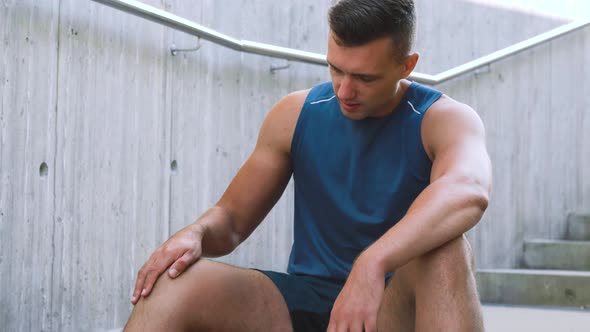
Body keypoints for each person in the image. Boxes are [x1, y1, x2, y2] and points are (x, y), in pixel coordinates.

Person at [124, 0, 492, 331]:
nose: (344, 91)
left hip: (390, 310)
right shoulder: (295, 113)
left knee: (447, 251)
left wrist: (373, 263)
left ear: (406, 65)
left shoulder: (443, 119)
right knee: (171, 284)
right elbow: (232, 222)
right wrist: (197, 232)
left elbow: (469, 190)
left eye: (364, 78)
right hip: (303, 301)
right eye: (336, 69)